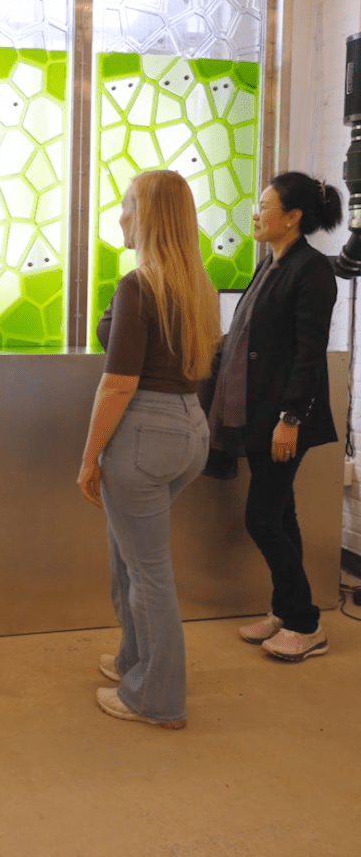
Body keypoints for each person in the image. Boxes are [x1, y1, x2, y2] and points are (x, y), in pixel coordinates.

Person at [78, 170, 220, 729]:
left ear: (152, 216)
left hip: (143, 435)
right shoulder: (198, 287)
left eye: (128, 205)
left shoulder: (140, 285)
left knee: (149, 573)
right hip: (190, 429)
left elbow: (118, 383)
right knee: (129, 558)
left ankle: (158, 699)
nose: (121, 216)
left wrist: (90, 458)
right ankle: (133, 662)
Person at [209, 173, 342, 662]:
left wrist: (290, 419)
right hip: (260, 413)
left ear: (293, 217)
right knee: (281, 515)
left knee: (262, 519)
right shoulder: (272, 263)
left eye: (265, 205)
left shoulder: (312, 270)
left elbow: (309, 355)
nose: (256, 213)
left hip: (285, 419)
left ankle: (307, 624)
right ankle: (287, 610)